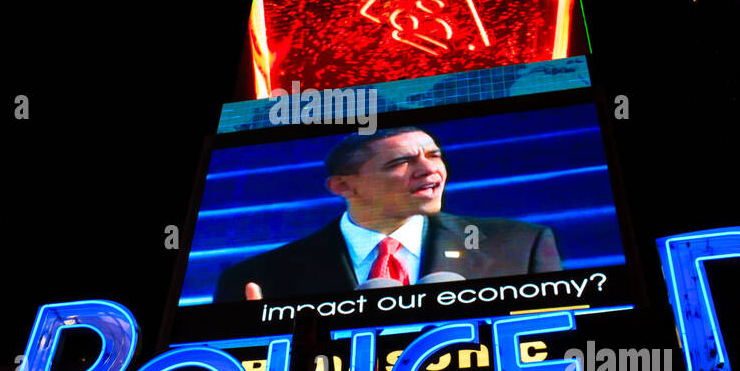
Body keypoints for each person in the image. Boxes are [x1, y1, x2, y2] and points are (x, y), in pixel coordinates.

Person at [214, 126, 561, 302]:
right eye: (402, 162)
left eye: (434, 155)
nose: (430, 170)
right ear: (344, 187)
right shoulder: (256, 278)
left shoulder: (521, 244)